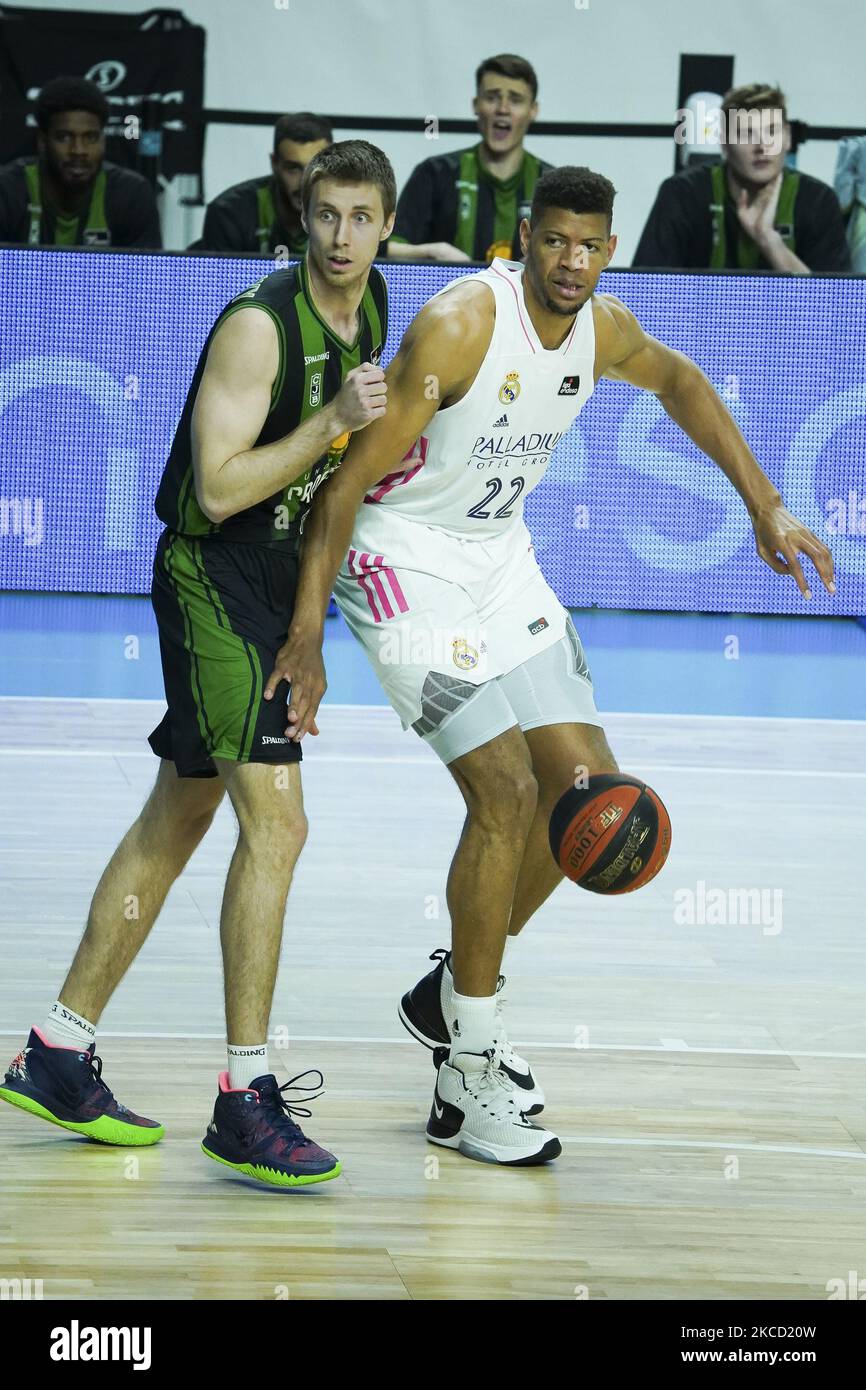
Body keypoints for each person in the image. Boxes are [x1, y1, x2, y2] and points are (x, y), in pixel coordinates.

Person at [267, 165, 836, 1168]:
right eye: (554, 241)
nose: (570, 262)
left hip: (497, 560)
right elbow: (346, 487)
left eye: (589, 244)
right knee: (503, 790)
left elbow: (683, 384)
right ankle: (472, 1057)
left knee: (586, 796)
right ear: (522, 237)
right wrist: (308, 635)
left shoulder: (603, 327)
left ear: (606, 247)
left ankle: (448, 999)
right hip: (398, 555)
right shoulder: (459, 324)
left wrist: (764, 505)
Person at [0, 141, 394, 1189]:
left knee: (176, 817)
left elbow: (329, 502)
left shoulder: (379, 307)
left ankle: (58, 1049)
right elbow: (219, 492)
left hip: (271, 596)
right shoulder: (258, 325)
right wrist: (328, 423)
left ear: (386, 225)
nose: (341, 237)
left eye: (361, 218)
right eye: (325, 216)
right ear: (300, 217)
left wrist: (309, 633)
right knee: (280, 822)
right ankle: (243, 1096)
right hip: (209, 580)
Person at [633, 83, 850, 273]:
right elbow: (645, 293)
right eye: (746, 134)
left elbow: (834, 308)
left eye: (772, 132)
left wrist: (769, 241)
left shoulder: (818, 200)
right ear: (724, 141)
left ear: (788, 138)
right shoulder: (683, 194)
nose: (762, 146)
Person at [387, 53, 552, 265]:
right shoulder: (435, 173)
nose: (502, 109)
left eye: (515, 100)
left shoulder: (551, 184)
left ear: (533, 110)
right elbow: (389, 249)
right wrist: (432, 252)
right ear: (476, 104)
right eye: (492, 97)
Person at [0, 76, 161, 249]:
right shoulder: (7, 191)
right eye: (64, 137)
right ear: (42, 141)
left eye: (90, 137)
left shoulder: (131, 195)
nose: (78, 150)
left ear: (103, 140)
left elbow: (146, 275)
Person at [199, 111, 332, 256]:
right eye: (293, 168)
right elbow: (220, 278)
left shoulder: (351, 211)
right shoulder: (229, 214)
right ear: (274, 163)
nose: (304, 182)